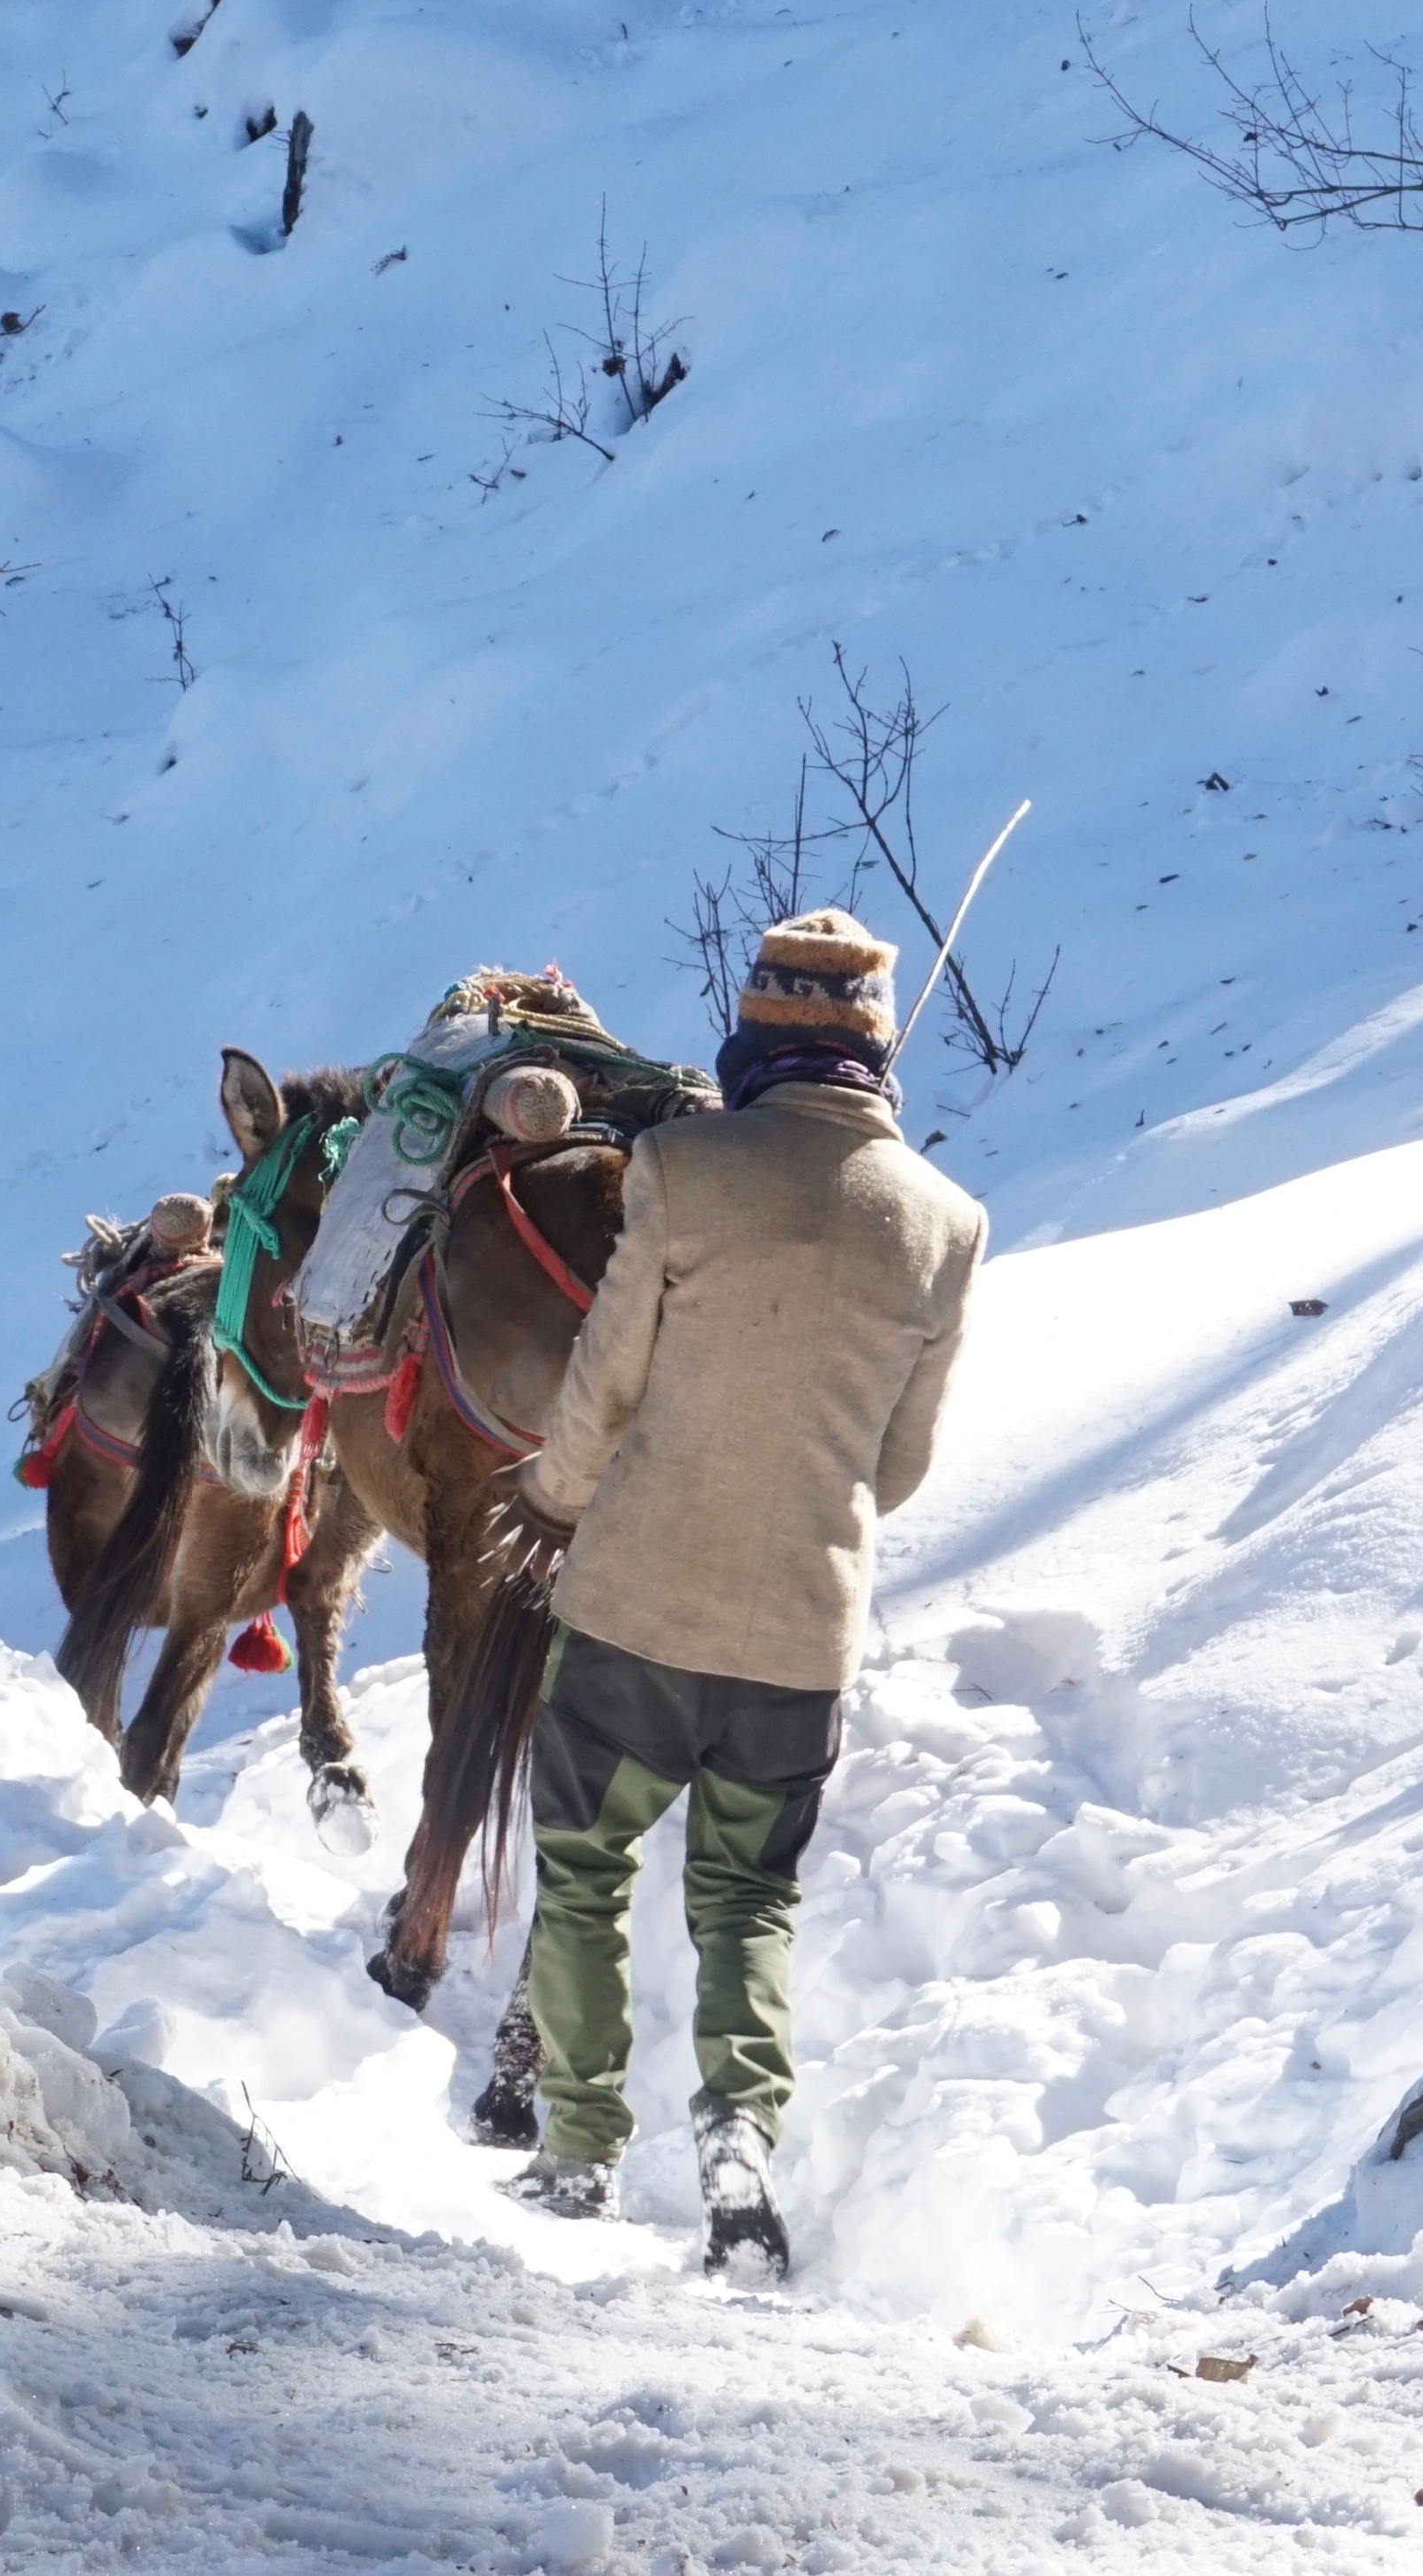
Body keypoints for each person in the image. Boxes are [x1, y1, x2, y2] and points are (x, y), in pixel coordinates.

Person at [484, 910, 988, 2271]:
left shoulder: (680, 1166)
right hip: (803, 1631)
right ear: (877, 1050)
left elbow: (603, 1381)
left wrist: (552, 1494)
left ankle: (579, 2146)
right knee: (748, 1899)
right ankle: (737, 2138)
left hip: (638, 1598)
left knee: (585, 1866)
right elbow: (902, 1459)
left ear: (757, 1034)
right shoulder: (947, 1221)